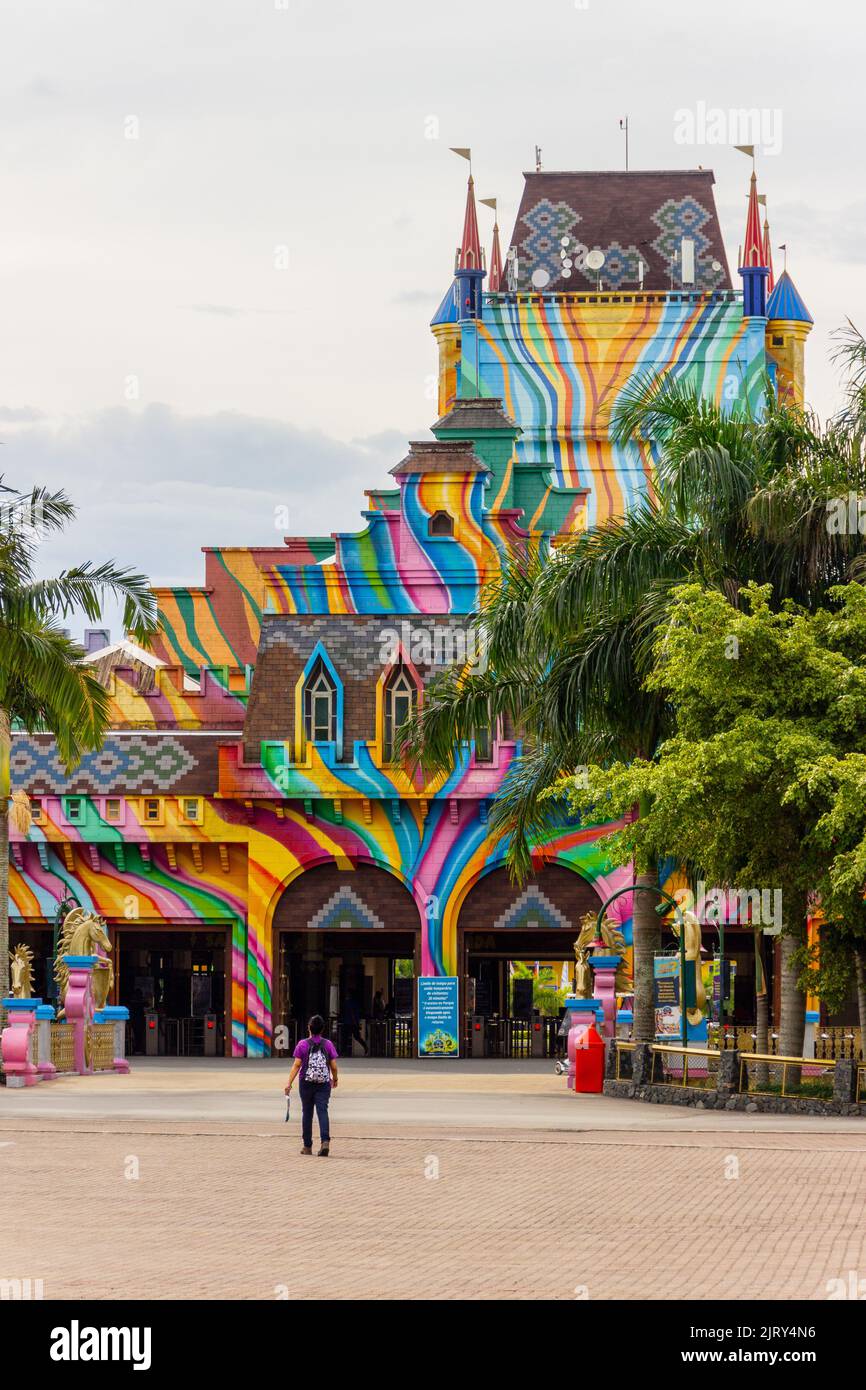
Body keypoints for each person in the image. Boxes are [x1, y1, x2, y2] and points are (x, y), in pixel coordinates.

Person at [284, 1014, 339, 1156]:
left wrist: (289, 1083)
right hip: (323, 1083)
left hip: (306, 1082)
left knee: (307, 1112)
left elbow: (297, 1065)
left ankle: (307, 1146)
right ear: (322, 1029)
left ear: (309, 1027)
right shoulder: (328, 1044)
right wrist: (335, 1078)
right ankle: (325, 1141)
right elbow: (333, 1065)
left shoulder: (302, 1044)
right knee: (322, 1111)